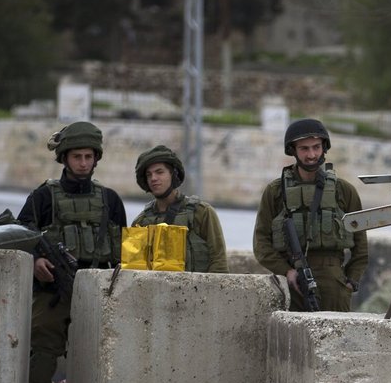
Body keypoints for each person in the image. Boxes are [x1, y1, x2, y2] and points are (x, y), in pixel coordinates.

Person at [16, 121, 127, 383]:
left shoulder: (110, 200)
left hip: (96, 289)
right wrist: (36, 261)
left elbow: (123, 248)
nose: (83, 163)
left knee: (99, 362)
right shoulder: (43, 196)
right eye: (76, 156)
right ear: (64, 158)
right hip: (52, 293)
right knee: (40, 358)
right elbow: (20, 235)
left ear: (96, 158)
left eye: (88, 156)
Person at [252, 118, 368, 311]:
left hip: (334, 281)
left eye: (316, 147)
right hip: (292, 282)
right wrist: (286, 271)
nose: (311, 154)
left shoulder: (344, 191)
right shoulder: (275, 191)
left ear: (324, 148)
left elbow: (361, 245)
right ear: (293, 151)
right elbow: (261, 242)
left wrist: (350, 282)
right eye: (304, 149)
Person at [131, 145, 228, 273]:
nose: (153, 178)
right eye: (149, 175)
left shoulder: (201, 213)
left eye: (159, 172)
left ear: (173, 174)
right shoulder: (141, 222)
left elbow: (219, 262)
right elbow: (134, 270)